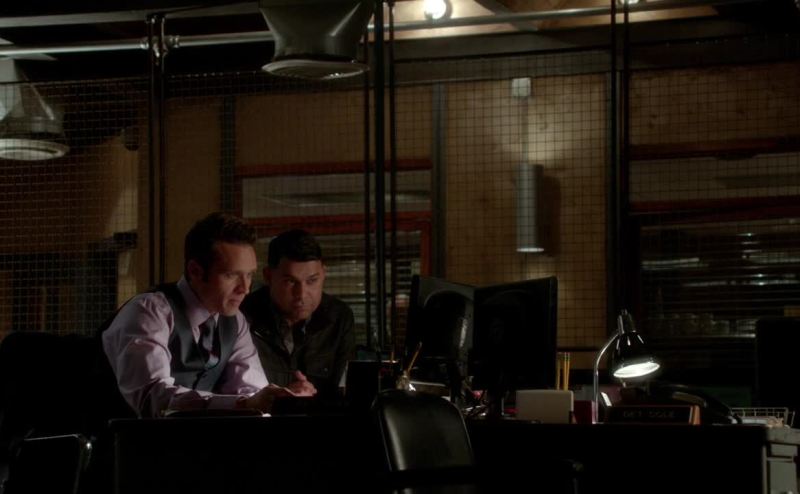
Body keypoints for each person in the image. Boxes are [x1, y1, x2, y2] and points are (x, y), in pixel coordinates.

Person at [102, 212, 316, 418]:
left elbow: (251, 393)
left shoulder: (235, 321)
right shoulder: (149, 312)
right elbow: (153, 399)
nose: (245, 288)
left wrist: (279, 400)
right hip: (120, 440)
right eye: (231, 275)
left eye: (249, 275)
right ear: (195, 271)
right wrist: (243, 404)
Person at [240, 229, 355, 399]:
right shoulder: (243, 316)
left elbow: (346, 394)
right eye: (290, 281)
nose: (301, 294)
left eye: (312, 281)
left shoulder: (338, 317)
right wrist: (282, 398)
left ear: (324, 274)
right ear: (268, 276)